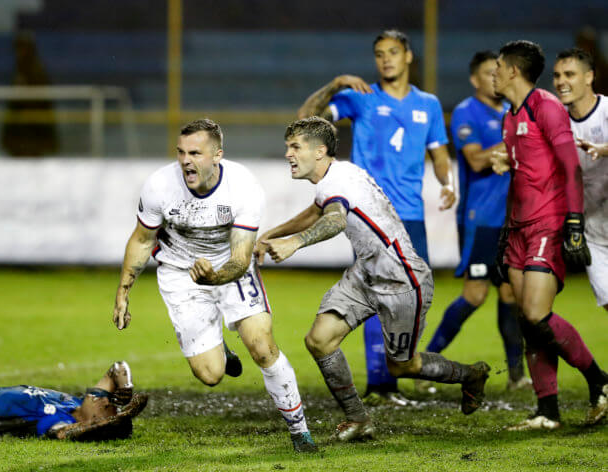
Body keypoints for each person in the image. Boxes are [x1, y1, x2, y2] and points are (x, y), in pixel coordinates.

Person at [255, 117, 490, 441]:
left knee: (401, 367)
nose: (288, 154)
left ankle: (471, 375)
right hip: (366, 275)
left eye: (295, 147)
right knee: (319, 340)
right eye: (287, 147)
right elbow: (318, 210)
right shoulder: (335, 177)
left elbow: (334, 220)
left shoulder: (339, 183)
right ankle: (358, 419)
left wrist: (294, 243)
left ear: (320, 150)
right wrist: (273, 233)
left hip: (401, 280)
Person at [112, 119, 317, 452]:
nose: (185, 161)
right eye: (181, 152)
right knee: (211, 375)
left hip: (230, 267)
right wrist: (123, 293)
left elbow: (241, 257)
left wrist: (215, 277)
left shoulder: (244, 187)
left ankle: (300, 431)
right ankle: (220, 350)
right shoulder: (159, 186)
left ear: (217, 154)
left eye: (195, 152)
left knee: (262, 346)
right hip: (180, 273)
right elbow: (141, 239)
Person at [297, 29, 456, 405]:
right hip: (370, 216)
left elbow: (440, 153)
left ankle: (397, 371)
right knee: (375, 296)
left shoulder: (429, 104)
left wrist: (447, 183)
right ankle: (381, 386)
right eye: (380, 53)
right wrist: (334, 85)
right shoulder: (359, 98)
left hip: (412, 216)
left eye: (393, 52)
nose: (386, 59)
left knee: (412, 298)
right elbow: (305, 120)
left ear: (409, 56)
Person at [489, 40, 608, 430]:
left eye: (497, 67)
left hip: (547, 223)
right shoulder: (510, 117)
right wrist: (507, 232)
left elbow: (571, 167)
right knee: (527, 319)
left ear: (512, 71)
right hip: (520, 229)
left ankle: (599, 381)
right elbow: (519, 179)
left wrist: (573, 223)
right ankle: (547, 410)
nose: (493, 74)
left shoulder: (547, 107)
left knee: (538, 314)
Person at [424, 51, 530, 392]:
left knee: (511, 295)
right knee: (475, 294)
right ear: (475, 78)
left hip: (509, 220)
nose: (496, 78)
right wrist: (516, 140)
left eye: (498, 72)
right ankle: (426, 360)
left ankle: (517, 375)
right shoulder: (467, 112)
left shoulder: (507, 112)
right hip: (480, 219)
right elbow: (475, 159)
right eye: (489, 72)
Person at [0, 358, 147, 440]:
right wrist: (126, 385)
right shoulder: (73, 403)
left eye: (108, 409)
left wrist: (121, 419)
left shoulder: (54, 423)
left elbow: (68, 434)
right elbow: (116, 369)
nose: (107, 400)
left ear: (95, 422)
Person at [552, 47, 608, 312]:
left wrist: (604, 149)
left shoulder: (606, 110)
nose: (561, 81)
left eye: (570, 74)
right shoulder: (556, 120)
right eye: (557, 75)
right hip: (592, 231)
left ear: (589, 77)